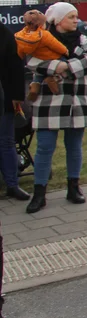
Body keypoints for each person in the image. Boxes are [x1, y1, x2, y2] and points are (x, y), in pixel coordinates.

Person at [25, 2, 87, 214]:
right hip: (49, 101)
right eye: (71, 17)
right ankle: (39, 193)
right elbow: (32, 61)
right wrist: (58, 65)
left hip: (77, 101)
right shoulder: (40, 37)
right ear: (57, 20)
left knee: (74, 146)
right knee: (44, 147)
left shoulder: (82, 39)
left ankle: (73, 188)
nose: (76, 20)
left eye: (76, 16)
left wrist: (65, 67)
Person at [15, 9, 69, 102]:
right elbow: (55, 45)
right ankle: (53, 79)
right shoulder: (44, 34)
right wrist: (65, 51)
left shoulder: (21, 36)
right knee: (66, 66)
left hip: (37, 60)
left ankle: (35, 85)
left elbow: (20, 50)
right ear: (41, 23)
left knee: (38, 73)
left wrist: (20, 57)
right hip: (51, 57)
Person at [0, 20, 28, 200]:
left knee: (6, 142)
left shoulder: (5, 35)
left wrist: (17, 96)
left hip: (4, 99)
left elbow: (16, 66)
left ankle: (12, 184)